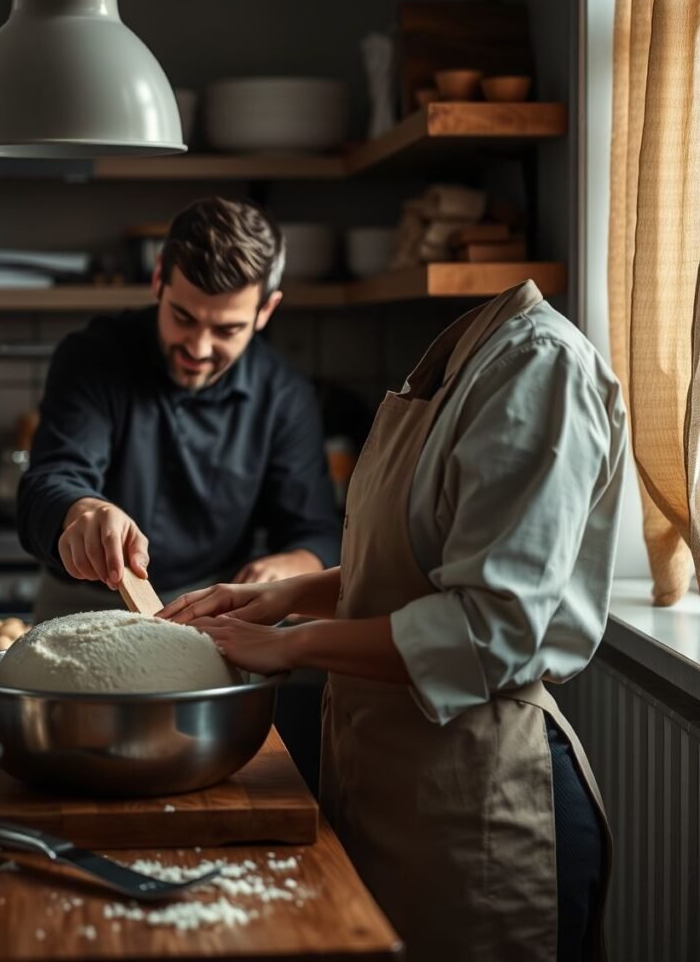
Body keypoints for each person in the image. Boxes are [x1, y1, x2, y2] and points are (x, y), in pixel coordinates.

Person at [161, 280, 626, 962]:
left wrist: (291, 645)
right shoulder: (469, 356)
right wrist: (285, 596)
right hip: (393, 789)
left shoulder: (539, 366)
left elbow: (490, 629)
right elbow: (416, 571)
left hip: (480, 801)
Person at [17, 196, 340, 622]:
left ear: (266, 310)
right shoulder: (91, 357)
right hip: (81, 605)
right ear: (158, 279)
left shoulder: (284, 393)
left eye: (227, 329)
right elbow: (51, 480)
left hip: (212, 610)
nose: (199, 349)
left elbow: (316, 530)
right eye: (184, 318)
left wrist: (291, 566)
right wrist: (84, 511)